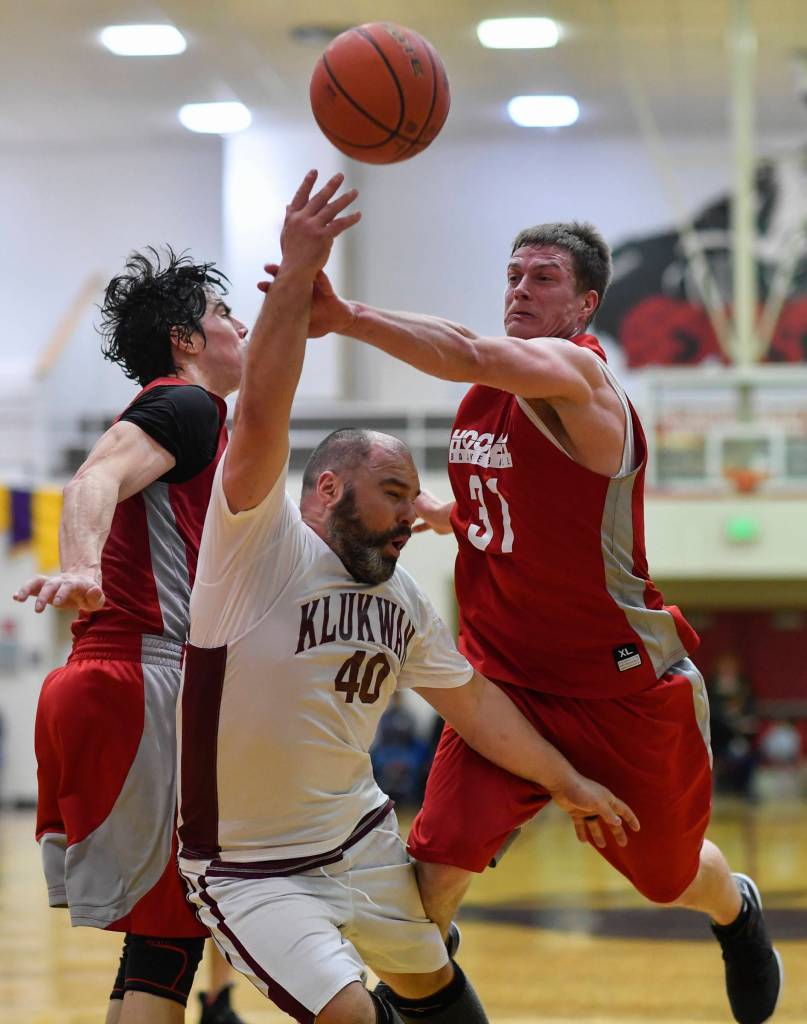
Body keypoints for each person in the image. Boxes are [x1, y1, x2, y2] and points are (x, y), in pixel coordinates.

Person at [278, 217, 784, 1024]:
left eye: (542, 278)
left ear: (584, 306)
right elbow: (510, 497)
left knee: (666, 876)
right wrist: (455, 515)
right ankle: (411, 1008)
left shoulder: (577, 381)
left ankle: (736, 908)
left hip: (615, 687)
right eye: (512, 274)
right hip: (504, 680)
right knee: (435, 873)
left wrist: (348, 319)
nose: (519, 289)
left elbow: (468, 350)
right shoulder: (490, 402)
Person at [178, 170, 640, 1024]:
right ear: (322, 492)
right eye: (393, 492)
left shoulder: (400, 599)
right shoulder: (252, 551)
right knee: (354, 1014)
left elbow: (475, 707)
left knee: (437, 989)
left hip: (358, 839)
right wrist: (299, 275)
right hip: (249, 866)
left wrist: (568, 780)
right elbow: (262, 416)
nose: (411, 513)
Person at [14, 248, 251, 1024]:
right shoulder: (182, 407)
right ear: (187, 339)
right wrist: (80, 564)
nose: (239, 325)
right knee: (176, 935)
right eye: (223, 316)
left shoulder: (203, 423)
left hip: (117, 681)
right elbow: (94, 478)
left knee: (160, 944)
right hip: (140, 680)